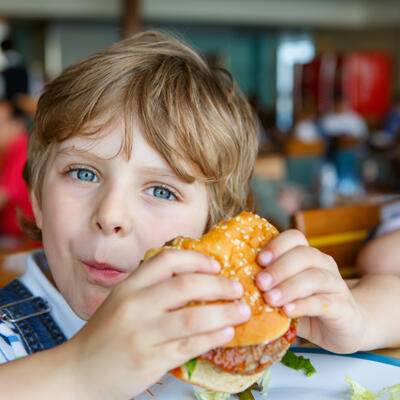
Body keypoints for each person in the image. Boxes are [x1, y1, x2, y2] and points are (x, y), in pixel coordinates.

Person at [0, 31, 399, 398]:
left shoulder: (225, 307)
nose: (111, 215)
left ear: (214, 229)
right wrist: (80, 371)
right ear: (36, 193)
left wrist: (357, 317)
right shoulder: (8, 338)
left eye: (161, 190)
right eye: (83, 173)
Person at [0, 99, 34, 241]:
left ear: (18, 125)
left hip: (22, 239)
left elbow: (2, 196)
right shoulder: (5, 151)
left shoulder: (22, 148)